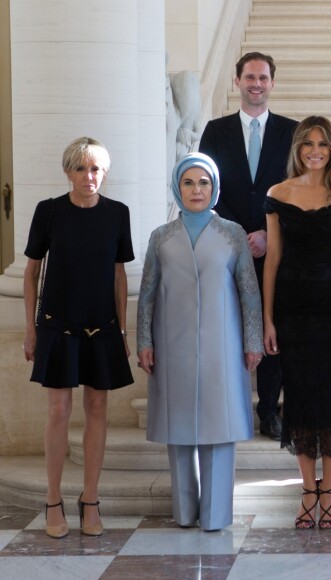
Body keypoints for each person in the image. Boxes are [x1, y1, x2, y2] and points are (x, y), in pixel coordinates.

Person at [137, 152, 263, 532]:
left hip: (223, 344)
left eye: (203, 182)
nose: (196, 190)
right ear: (177, 187)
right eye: (189, 182)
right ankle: (185, 511)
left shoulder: (233, 233)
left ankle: (216, 515)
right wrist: (144, 339)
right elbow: (146, 294)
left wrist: (253, 339)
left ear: (215, 187)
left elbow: (249, 292)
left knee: (219, 427)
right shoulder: (161, 237)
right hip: (170, 342)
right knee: (179, 430)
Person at [23, 137, 134, 538]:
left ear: (105, 173)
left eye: (97, 169)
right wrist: (32, 329)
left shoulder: (118, 213)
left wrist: (122, 330)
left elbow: (120, 275)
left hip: (101, 327)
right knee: (57, 411)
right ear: (68, 170)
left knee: (97, 410)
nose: (90, 177)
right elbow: (32, 272)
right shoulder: (48, 212)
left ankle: (90, 500)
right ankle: (53, 500)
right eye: (82, 168)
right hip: (56, 325)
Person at [263, 116, 331, 529]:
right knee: (301, 399)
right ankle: (309, 490)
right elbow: (272, 260)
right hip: (292, 307)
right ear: (297, 148)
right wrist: (268, 319)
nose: (315, 150)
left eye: (323, 143)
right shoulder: (277, 194)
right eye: (308, 143)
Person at [199, 51, 298, 441]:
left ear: (273, 82)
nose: (256, 83)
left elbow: (299, 190)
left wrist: (270, 233)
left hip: (277, 248)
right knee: (229, 327)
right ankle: (228, 405)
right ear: (237, 81)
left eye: (263, 77)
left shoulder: (292, 132)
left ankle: (269, 409)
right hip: (227, 246)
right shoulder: (215, 130)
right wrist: (239, 234)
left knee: (274, 326)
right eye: (249, 77)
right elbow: (203, 187)